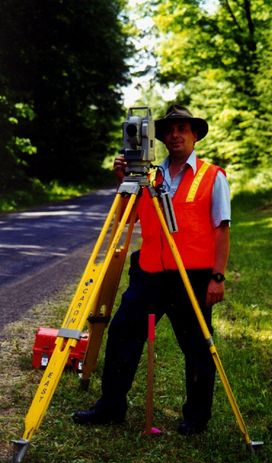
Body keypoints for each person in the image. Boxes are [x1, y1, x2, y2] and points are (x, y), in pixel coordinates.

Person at [73, 105, 231, 435]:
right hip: (150, 272)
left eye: (182, 129)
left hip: (193, 276)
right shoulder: (149, 176)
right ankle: (111, 406)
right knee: (122, 333)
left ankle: (196, 417)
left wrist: (218, 276)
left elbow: (221, 230)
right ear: (159, 138)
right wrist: (124, 181)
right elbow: (130, 218)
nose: (175, 135)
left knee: (198, 347)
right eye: (169, 130)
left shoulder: (213, 176)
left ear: (194, 135)